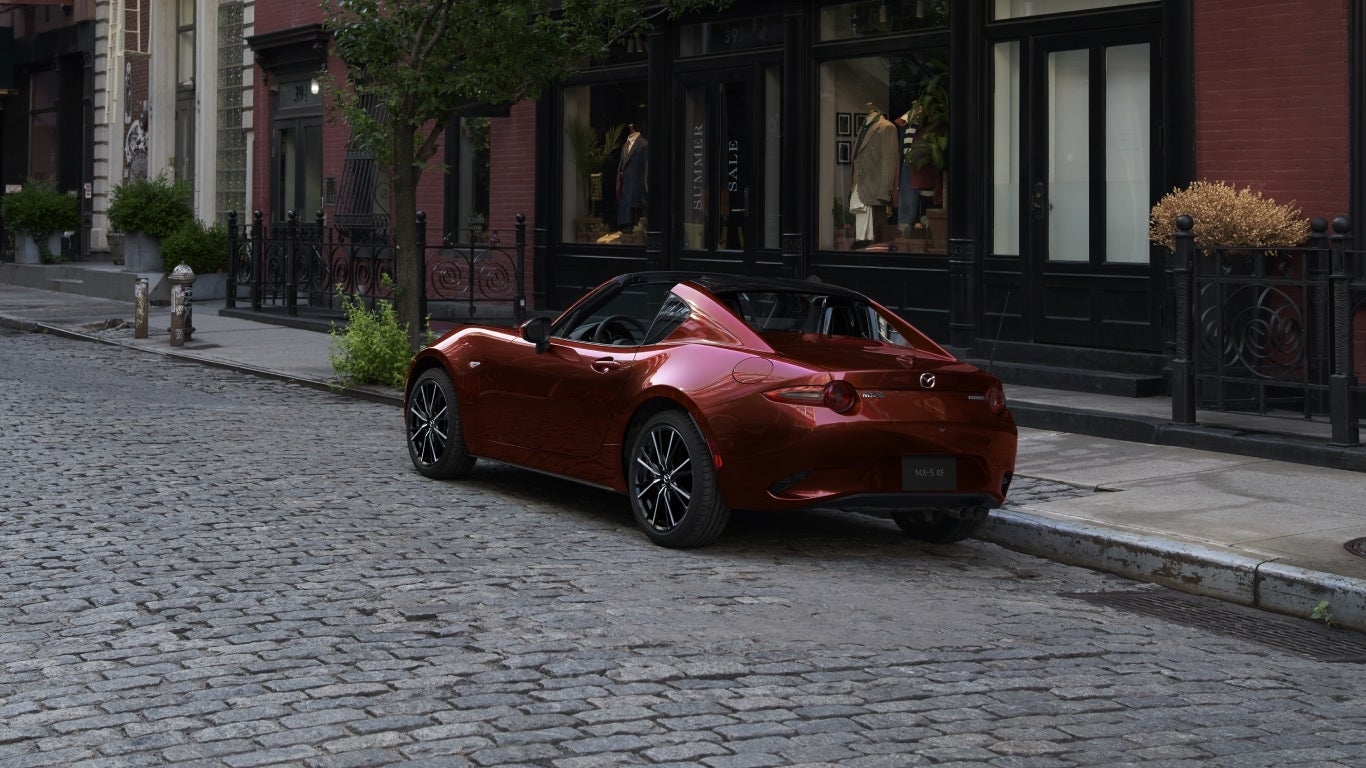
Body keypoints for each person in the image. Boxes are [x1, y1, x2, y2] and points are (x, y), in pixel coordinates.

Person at [848, 104, 898, 244]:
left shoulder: (887, 127)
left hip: (876, 190)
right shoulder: (864, 127)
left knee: (875, 237)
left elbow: (890, 161)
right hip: (859, 188)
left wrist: (884, 193)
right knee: (862, 236)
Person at [616, 124, 648, 232]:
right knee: (625, 226)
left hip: (637, 189)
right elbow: (621, 167)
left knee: (636, 225)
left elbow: (646, 169)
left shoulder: (643, 144)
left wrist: (645, 191)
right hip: (625, 190)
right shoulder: (624, 146)